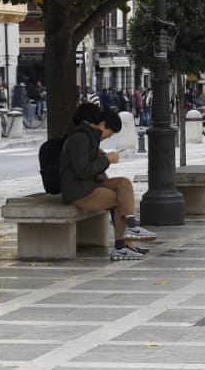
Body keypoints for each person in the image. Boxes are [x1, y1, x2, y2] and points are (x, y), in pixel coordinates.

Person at [59, 103, 158, 260]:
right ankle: (121, 245)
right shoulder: (80, 138)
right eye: (110, 134)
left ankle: (131, 228)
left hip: (90, 184)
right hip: (78, 190)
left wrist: (101, 157)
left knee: (123, 184)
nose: (108, 137)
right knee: (120, 200)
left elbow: (90, 166)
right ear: (102, 124)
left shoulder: (90, 138)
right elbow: (82, 171)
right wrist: (106, 160)